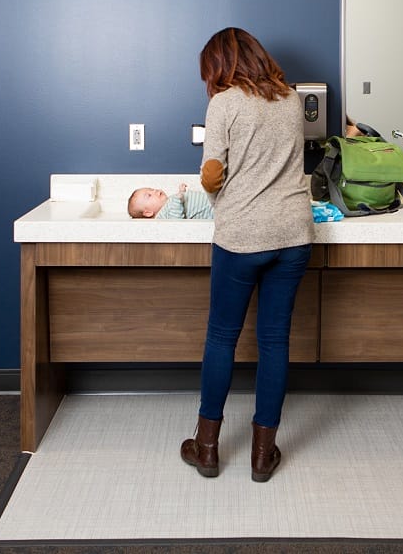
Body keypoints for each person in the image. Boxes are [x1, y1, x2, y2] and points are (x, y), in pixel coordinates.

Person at [180, 27, 314, 483]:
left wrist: (210, 178)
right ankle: (263, 454)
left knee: (222, 338)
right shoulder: (291, 100)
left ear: (221, 65)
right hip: (294, 234)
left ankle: (207, 448)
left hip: (242, 236)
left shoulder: (224, 103)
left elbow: (213, 174)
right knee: (275, 341)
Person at [127, 183, 214, 219]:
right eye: (149, 195)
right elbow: (176, 221)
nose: (155, 191)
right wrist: (178, 199)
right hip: (212, 210)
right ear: (148, 212)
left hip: (214, 201)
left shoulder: (167, 204)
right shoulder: (162, 216)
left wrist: (181, 194)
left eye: (152, 189)